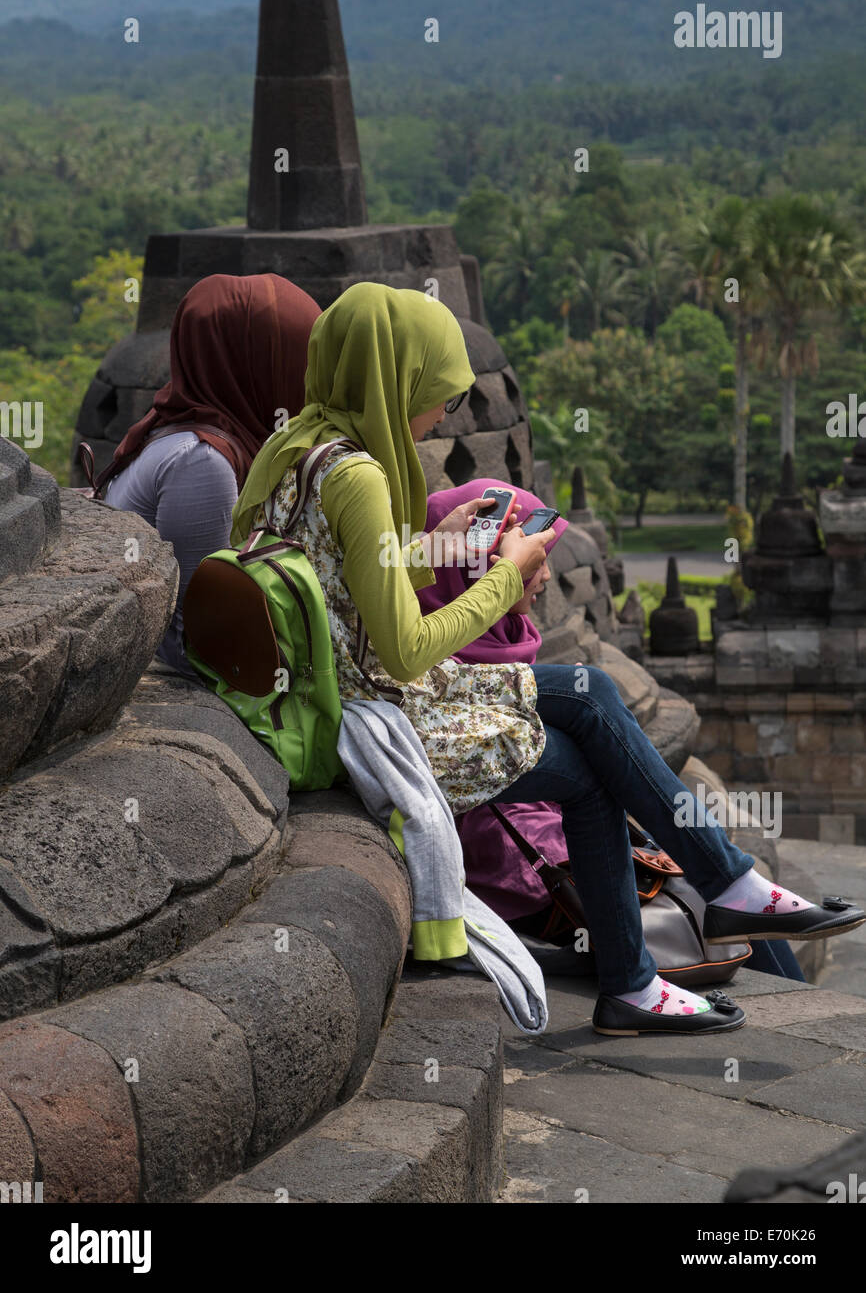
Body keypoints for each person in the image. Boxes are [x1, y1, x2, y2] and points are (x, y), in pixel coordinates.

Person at [231, 281, 864, 1036]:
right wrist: (503, 574)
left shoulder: (294, 450)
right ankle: (691, 922)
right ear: (396, 380)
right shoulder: (362, 476)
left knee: (591, 690)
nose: (442, 417)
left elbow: (346, 577)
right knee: (592, 762)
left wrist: (449, 545)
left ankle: (708, 905)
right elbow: (402, 649)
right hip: (378, 715)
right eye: (436, 394)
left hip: (343, 694)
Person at [420, 478, 807, 984]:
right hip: (533, 875)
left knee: (717, 895)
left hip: (566, 839)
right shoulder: (442, 660)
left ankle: (750, 916)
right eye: (532, 558)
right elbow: (488, 814)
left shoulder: (509, 637)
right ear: (477, 570)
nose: (544, 574)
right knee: (704, 894)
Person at [102, 272, 321, 674]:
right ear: (257, 366)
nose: (310, 381)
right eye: (300, 361)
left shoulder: (186, 418)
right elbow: (199, 635)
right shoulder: (202, 462)